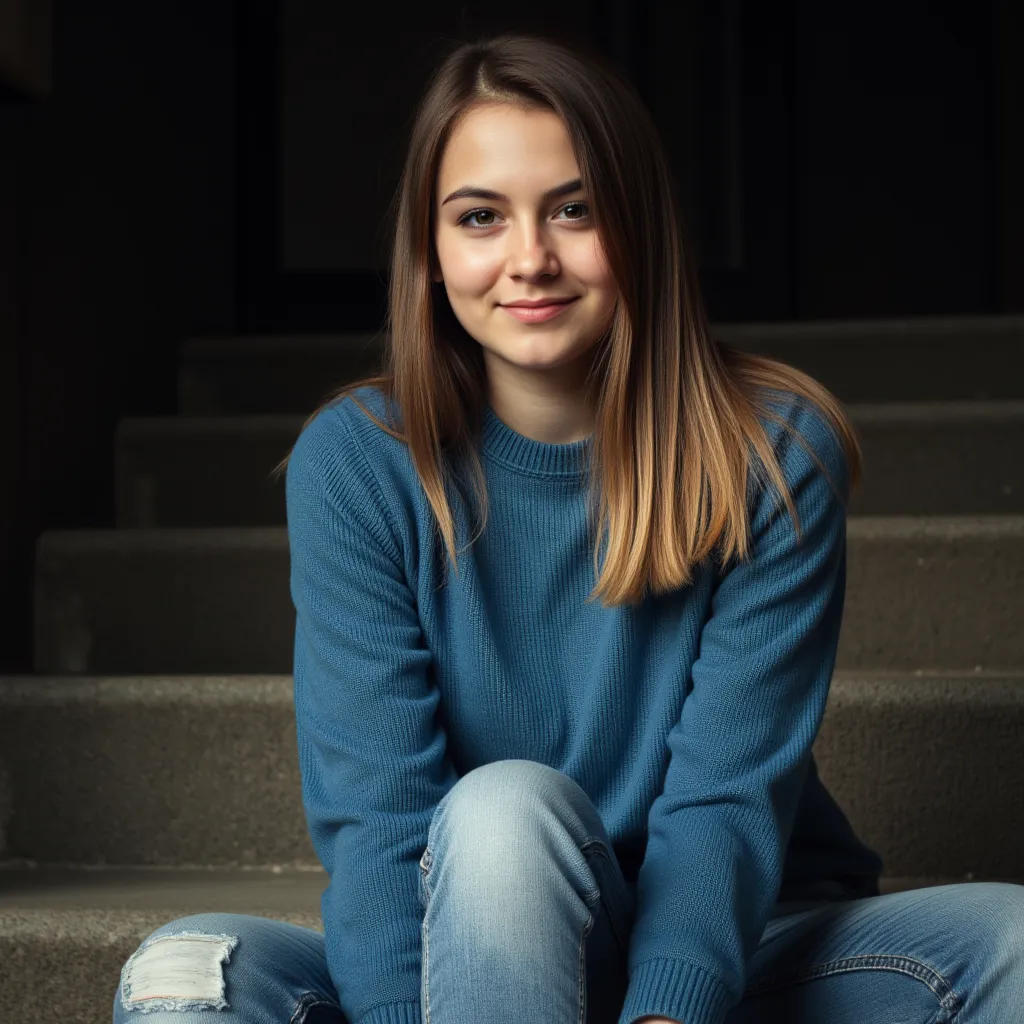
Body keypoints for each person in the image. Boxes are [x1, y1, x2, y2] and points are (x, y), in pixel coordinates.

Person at [112, 31, 1024, 1024]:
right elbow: (378, 820)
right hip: (468, 950)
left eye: (574, 210)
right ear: (429, 251)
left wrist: (669, 1012)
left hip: (728, 953)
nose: (529, 258)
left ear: (638, 225)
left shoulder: (767, 450)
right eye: (479, 217)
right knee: (184, 973)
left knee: (1009, 943)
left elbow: (723, 800)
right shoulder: (360, 461)